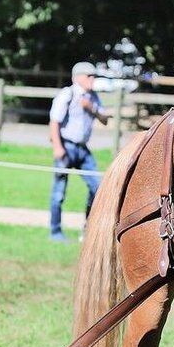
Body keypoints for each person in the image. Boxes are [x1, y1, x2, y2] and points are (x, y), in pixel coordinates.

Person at [48, 62, 109, 242]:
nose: (93, 79)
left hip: (83, 149)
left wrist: (91, 107)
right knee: (59, 193)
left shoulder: (93, 97)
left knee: (97, 188)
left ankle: (87, 229)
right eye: (89, 76)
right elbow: (54, 122)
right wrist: (58, 147)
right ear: (79, 77)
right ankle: (55, 232)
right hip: (66, 147)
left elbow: (105, 119)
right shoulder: (68, 94)